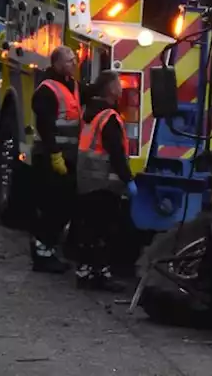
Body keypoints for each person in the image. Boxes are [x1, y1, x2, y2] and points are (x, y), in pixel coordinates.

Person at [71, 70, 137, 291]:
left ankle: (86, 272)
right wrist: (128, 180)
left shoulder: (91, 113)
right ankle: (101, 274)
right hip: (104, 185)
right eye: (118, 84)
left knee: (89, 229)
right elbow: (116, 153)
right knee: (104, 231)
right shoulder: (109, 118)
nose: (121, 88)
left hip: (87, 181)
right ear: (110, 89)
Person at [28, 46, 81, 274]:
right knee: (51, 206)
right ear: (57, 63)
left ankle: (49, 249)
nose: (74, 63)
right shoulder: (46, 90)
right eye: (69, 61)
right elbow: (45, 126)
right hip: (50, 158)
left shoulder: (73, 85)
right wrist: (55, 154)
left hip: (67, 157)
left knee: (64, 205)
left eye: (74, 60)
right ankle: (42, 254)